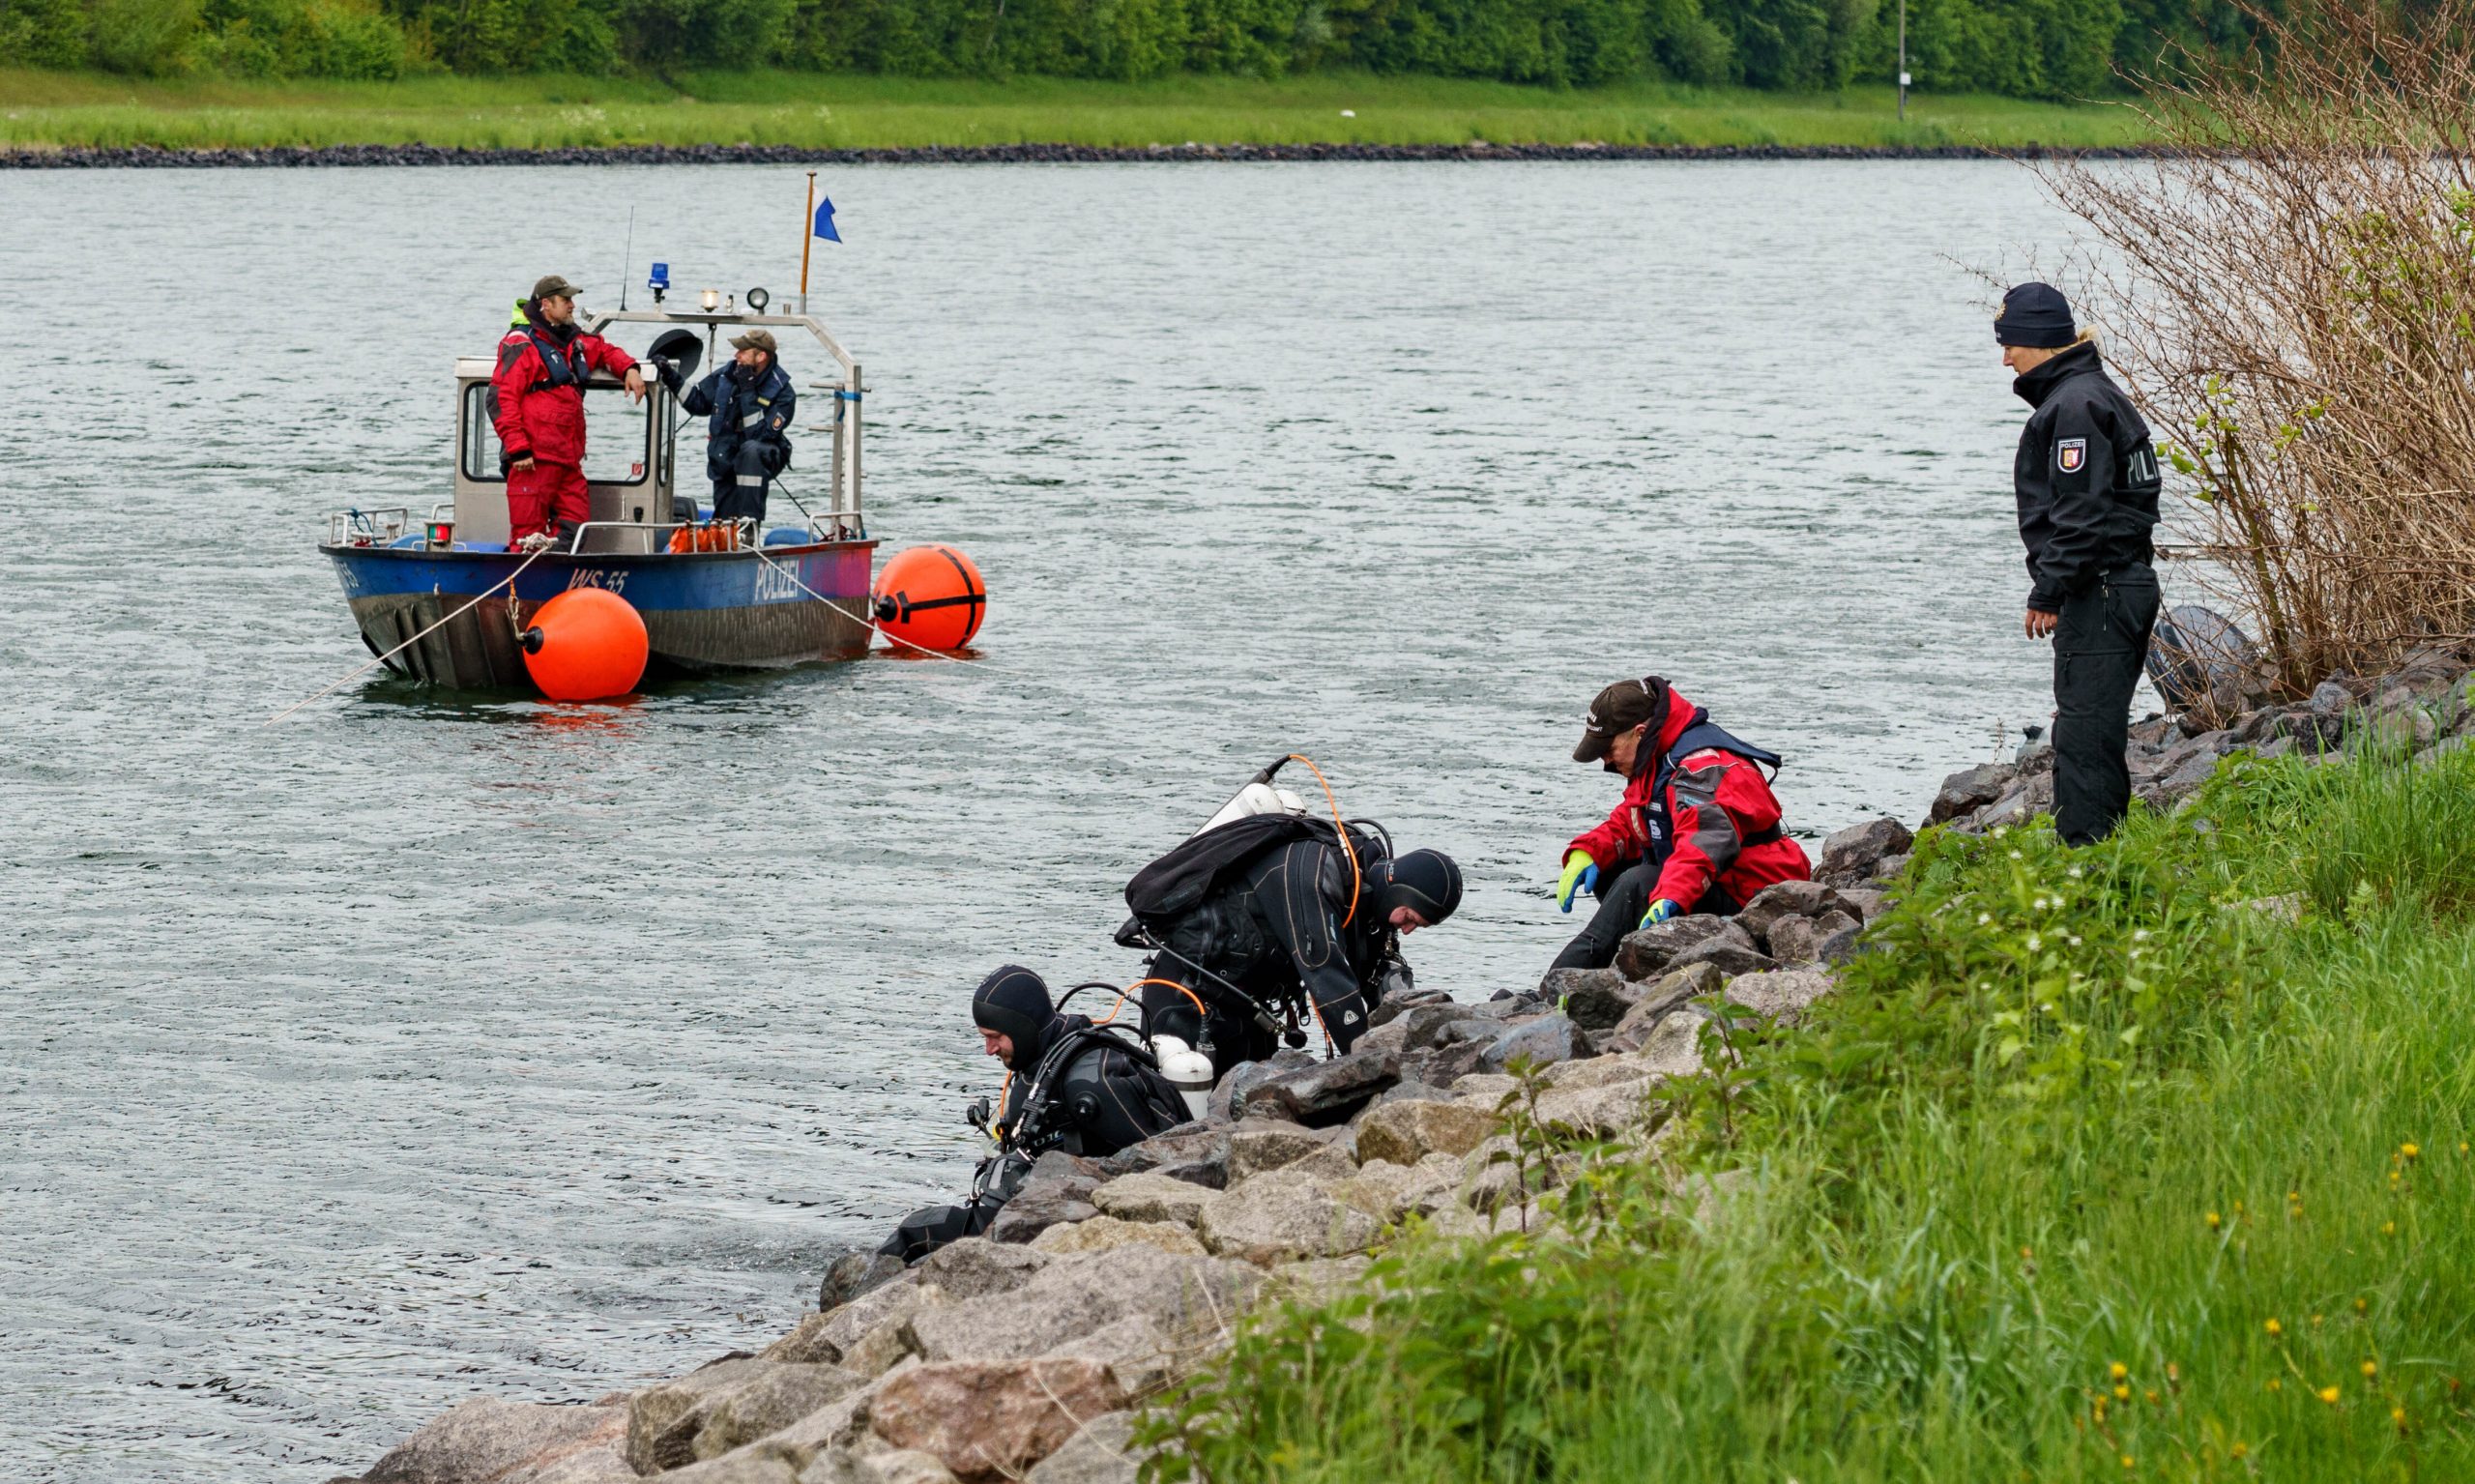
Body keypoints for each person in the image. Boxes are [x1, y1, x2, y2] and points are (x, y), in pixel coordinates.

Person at [1997, 282, 2163, 846]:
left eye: (2010, 344)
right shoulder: (2090, 394)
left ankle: (2087, 863)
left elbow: (2083, 513)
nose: (2005, 358)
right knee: (2094, 730)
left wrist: (2048, 590)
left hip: (2103, 589)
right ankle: (2106, 851)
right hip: (2121, 584)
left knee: (2085, 736)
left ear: (2039, 342)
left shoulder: (2074, 407)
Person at [878, 966, 1189, 1264]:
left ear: (1023, 1027)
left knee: (916, 1233)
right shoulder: (1042, 1058)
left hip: (1066, 1217)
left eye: (995, 1036)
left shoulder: (1091, 1086)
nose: (988, 1049)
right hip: (1039, 1202)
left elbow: (1168, 1160)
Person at [1129, 826, 1461, 1070]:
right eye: (1411, 917)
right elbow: (1328, 977)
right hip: (1185, 1001)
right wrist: (1372, 1068)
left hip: (1247, 1011)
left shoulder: (1362, 895)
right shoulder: (1311, 874)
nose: (1407, 928)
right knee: (1182, 1108)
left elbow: (1375, 985)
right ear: (1400, 890)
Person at [1548, 676, 1811, 973]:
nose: (1605, 761)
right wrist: (1587, 852)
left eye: (1608, 749)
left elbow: (1703, 843)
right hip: (1717, 882)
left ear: (1639, 732)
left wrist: (1671, 895)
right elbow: (1630, 822)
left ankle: (1558, 985)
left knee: (1637, 884)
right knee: (1611, 870)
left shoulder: (1702, 770)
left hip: (1757, 898)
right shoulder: (1659, 759)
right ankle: (1625, 963)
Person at [490, 275, 645, 548]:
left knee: (577, 530)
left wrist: (630, 368)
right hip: (532, 461)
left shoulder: (575, 342)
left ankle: (559, 579)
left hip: (568, 461)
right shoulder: (520, 344)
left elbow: (607, 351)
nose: (572, 305)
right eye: (566, 300)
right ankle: (522, 588)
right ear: (546, 304)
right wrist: (518, 449)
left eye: (572, 299)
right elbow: (502, 399)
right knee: (527, 537)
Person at [656, 329, 796, 528]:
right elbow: (697, 402)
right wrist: (670, 374)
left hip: (762, 456)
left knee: (751, 450)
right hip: (725, 455)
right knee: (724, 523)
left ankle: (749, 525)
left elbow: (758, 434)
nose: (736, 355)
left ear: (761, 356)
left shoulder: (783, 392)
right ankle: (726, 536)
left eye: (742, 351)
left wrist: (747, 390)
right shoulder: (727, 375)